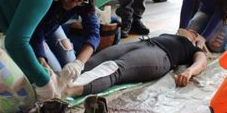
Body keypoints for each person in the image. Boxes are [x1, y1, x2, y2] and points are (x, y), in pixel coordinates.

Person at [63, 28, 208, 98]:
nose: (189, 30)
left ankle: (66, 91)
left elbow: (201, 62)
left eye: (193, 31)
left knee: (114, 68)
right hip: (143, 43)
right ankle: (56, 82)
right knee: (95, 60)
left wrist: (188, 72)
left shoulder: (192, 47)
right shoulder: (169, 35)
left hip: (161, 56)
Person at [30, 0, 100, 76]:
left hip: (53, 27)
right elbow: (36, 33)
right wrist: (41, 59)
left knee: (70, 68)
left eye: (79, 0)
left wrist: (78, 64)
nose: (73, 4)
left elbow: (93, 32)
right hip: (33, 30)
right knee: (54, 73)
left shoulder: (85, 0)